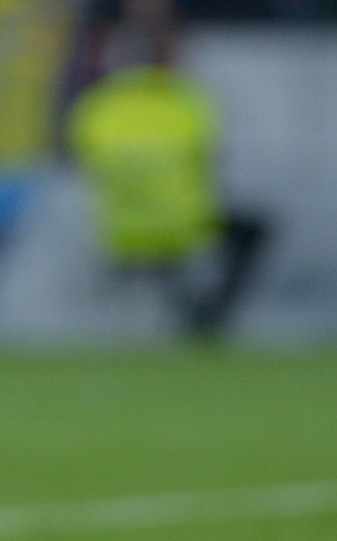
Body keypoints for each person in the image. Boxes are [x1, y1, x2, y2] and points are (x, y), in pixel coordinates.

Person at [67, 24, 271, 337]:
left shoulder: (100, 106)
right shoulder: (187, 102)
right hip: (183, 227)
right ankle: (208, 317)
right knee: (254, 231)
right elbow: (207, 162)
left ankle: (193, 314)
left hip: (118, 230)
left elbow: (85, 164)